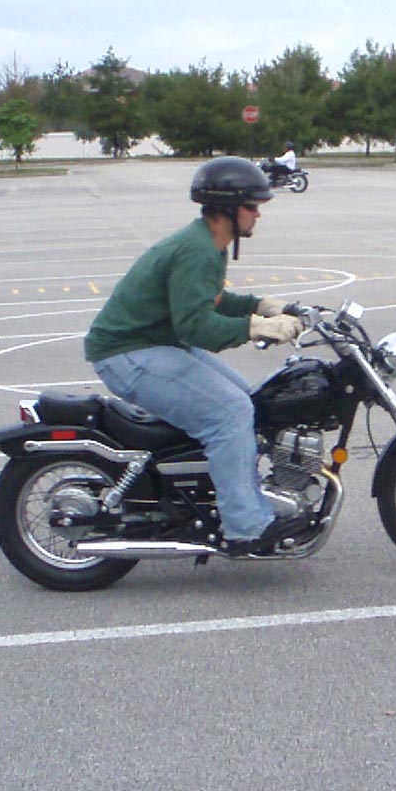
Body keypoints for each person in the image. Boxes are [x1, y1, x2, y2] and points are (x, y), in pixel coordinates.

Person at [84, 156, 307, 556]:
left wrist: (262, 306)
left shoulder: (209, 245)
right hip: (127, 353)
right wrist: (257, 327)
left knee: (250, 400)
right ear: (227, 209)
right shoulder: (199, 250)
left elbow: (211, 301)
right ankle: (246, 527)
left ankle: (230, 494)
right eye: (252, 206)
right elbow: (196, 327)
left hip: (152, 344)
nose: (258, 213)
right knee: (231, 412)